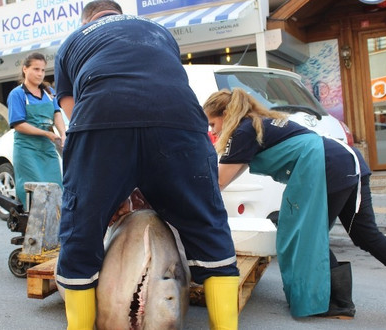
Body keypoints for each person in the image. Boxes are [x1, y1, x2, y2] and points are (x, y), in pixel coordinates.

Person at [53, 1, 240, 328]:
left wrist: (109, 187)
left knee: (80, 230)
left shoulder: (74, 39)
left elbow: (73, 107)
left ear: (88, 19)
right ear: (120, 14)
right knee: (208, 226)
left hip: (101, 117)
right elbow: (159, 83)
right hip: (179, 119)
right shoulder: (158, 32)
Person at [203, 88, 386, 320]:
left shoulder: (243, 131)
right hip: (348, 161)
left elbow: (221, 180)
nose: (212, 130)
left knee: (304, 233)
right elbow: (234, 169)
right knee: (366, 234)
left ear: (225, 114)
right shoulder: (259, 123)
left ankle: (340, 302)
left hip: (328, 167)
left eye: (213, 124)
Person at [7, 52, 66, 208]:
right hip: (27, 150)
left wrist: (63, 134)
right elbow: (18, 124)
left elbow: (57, 114)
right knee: (35, 191)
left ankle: (55, 230)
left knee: (55, 188)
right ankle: (33, 228)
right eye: (36, 69)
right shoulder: (17, 94)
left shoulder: (49, 93)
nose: (40, 74)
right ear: (25, 69)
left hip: (47, 149)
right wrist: (47, 133)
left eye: (42, 70)